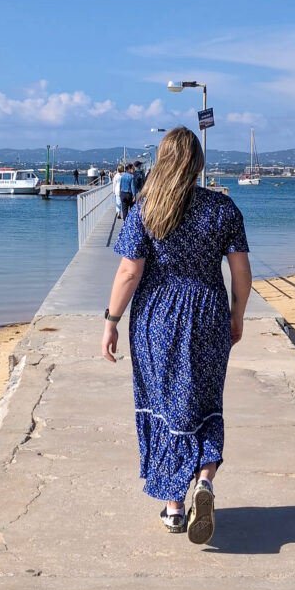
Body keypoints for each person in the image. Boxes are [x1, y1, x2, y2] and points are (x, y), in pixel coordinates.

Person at [101, 127, 251, 544]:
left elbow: (130, 272)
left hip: (157, 318)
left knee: (166, 406)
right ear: (198, 162)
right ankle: (204, 479)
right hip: (207, 313)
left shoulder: (147, 207)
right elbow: (241, 272)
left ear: (163, 160)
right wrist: (236, 314)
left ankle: (174, 507)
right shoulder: (223, 209)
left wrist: (111, 320)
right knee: (203, 402)